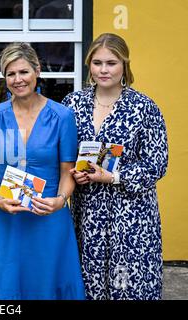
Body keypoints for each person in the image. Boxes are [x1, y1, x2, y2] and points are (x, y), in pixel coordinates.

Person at [61, 33, 169, 300]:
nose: (103, 69)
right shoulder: (72, 104)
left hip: (131, 217)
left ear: (124, 65)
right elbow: (63, 156)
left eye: (111, 62)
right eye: (97, 63)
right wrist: (74, 174)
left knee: (128, 285)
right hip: (88, 214)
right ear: (89, 65)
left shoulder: (144, 107)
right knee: (90, 282)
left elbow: (157, 163)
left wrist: (112, 176)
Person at [0, 42, 85, 300]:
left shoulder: (62, 116)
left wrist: (59, 201)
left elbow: (68, 171)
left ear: (37, 71)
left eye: (23, 72)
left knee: (47, 280)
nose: (17, 79)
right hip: (6, 217)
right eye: (10, 74)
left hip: (49, 215)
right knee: (6, 282)